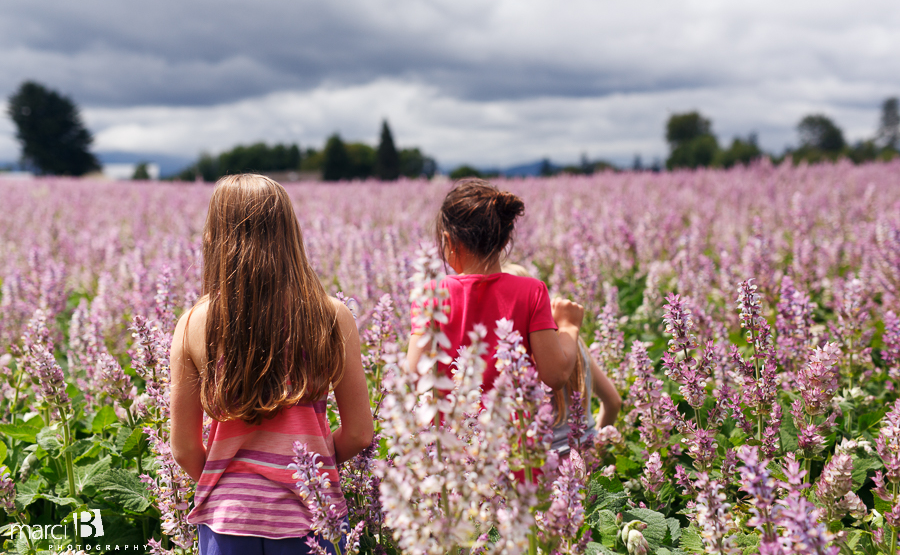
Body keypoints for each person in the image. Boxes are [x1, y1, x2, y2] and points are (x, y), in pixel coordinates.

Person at [169, 174, 374, 555]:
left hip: (227, 520)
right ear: (290, 236)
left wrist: (233, 483)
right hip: (311, 517)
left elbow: (182, 448)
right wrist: (309, 471)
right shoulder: (331, 316)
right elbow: (361, 433)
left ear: (215, 237)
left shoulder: (193, 323)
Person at [407, 178, 579, 392]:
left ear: (448, 241)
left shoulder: (430, 294)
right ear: (505, 241)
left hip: (450, 425)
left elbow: (413, 375)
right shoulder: (532, 292)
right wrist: (569, 327)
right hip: (511, 424)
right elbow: (557, 375)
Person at [502, 263, 622, 454]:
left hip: (544, 467)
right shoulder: (574, 342)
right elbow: (613, 402)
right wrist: (595, 446)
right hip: (586, 457)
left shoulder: (515, 353)